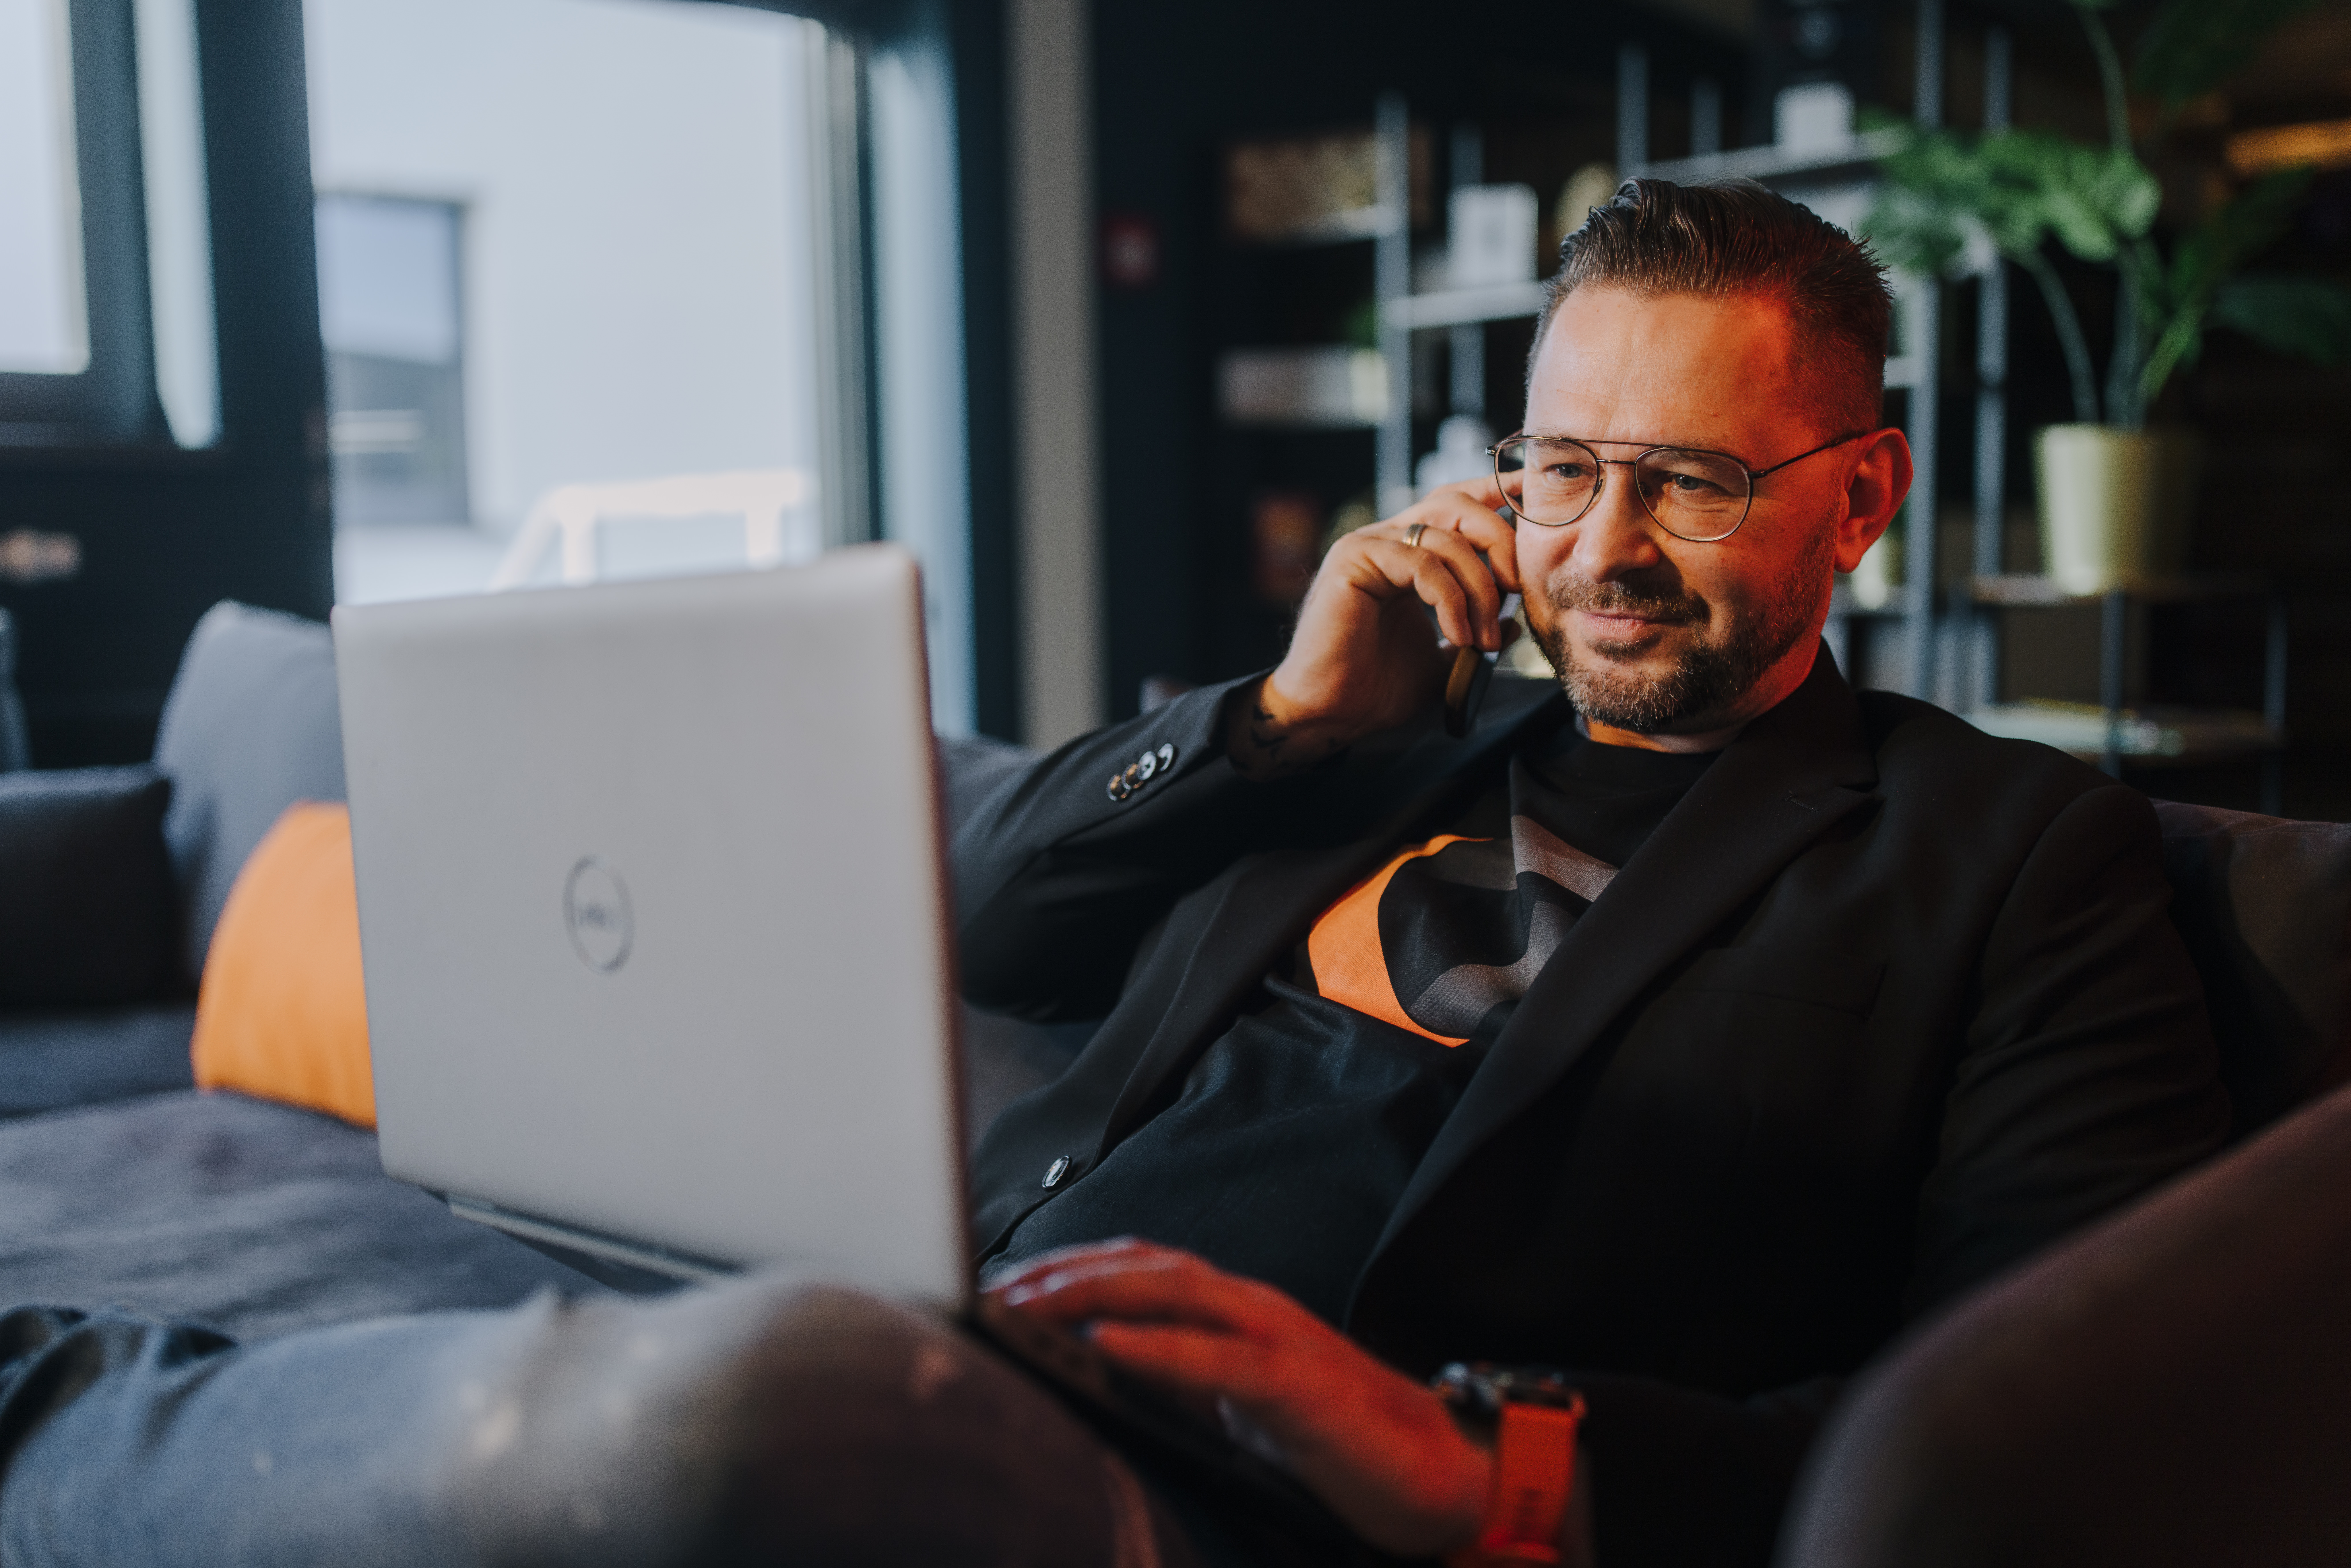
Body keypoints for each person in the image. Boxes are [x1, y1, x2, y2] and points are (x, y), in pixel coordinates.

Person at [0, 178, 2225, 1568]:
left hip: (1257, 1495)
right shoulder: (1386, 725)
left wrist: (1477, 1461)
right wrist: (1287, 716)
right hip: (966, 1322)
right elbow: (981, 921)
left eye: (1692, 480)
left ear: (1861, 496)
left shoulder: (2008, 856)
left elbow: (2057, 1430)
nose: (1603, 546)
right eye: (1561, 468)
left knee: (754, 1418)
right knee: (659, 1388)